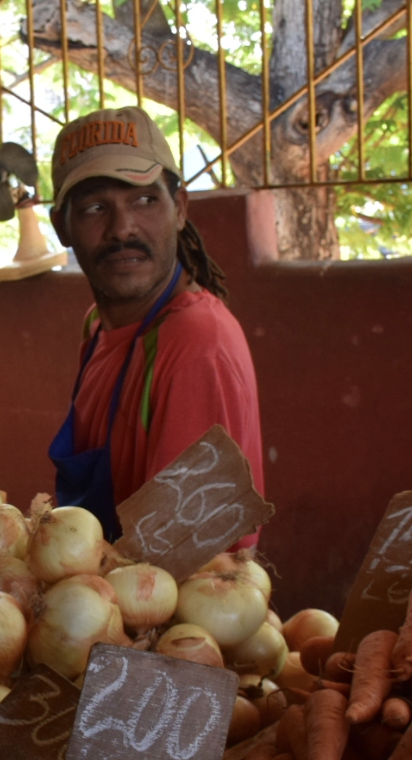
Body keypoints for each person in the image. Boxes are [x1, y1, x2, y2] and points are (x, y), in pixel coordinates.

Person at [46, 106, 263, 539]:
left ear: (180, 209)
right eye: (93, 208)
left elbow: (186, 564)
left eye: (144, 199)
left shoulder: (195, 344)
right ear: (62, 227)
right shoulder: (96, 328)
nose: (122, 228)